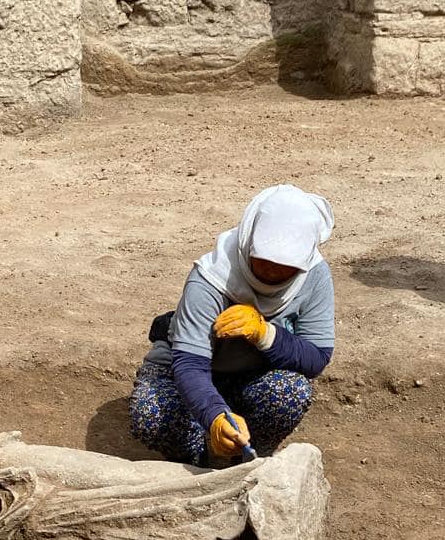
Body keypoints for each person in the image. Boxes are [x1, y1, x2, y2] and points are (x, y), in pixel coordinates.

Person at [129, 184, 335, 466]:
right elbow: (189, 365)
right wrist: (214, 417)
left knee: (291, 391)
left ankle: (249, 455)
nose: (273, 270)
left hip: (252, 376)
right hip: (184, 370)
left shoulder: (315, 276)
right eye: (264, 259)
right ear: (248, 240)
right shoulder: (210, 278)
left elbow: (316, 357)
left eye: (287, 265)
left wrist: (266, 334)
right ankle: (200, 457)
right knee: (151, 412)